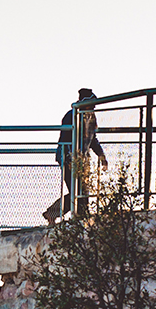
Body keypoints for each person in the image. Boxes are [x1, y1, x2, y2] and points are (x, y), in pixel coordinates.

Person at [42, 86, 106, 222]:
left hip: (80, 159)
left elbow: (93, 139)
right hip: (68, 158)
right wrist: (70, 158)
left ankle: (60, 214)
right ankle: (77, 216)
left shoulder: (91, 117)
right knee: (77, 190)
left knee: (80, 191)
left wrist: (101, 155)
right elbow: (67, 138)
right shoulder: (72, 116)